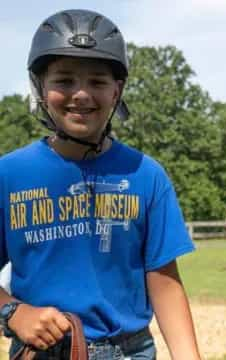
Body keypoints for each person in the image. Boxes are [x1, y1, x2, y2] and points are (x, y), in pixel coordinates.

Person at [0, 9, 201, 360]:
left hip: (131, 351)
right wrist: (12, 311)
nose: (81, 94)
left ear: (117, 90)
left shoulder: (146, 174)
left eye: (97, 82)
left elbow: (165, 282)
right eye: (64, 81)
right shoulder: (9, 175)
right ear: (40, 87)